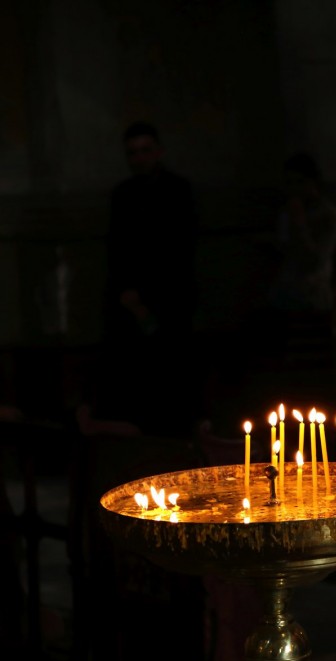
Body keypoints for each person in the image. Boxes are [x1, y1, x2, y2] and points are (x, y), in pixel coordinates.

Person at [95, 121, 200, 437]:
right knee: (135, 381)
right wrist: (127, 294)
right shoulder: (123, 194)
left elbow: (179, 249)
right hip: (129, 303)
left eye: (145, 151)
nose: (139, 159)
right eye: (132, 153)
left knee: (170, 379)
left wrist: (148, 298)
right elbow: (117, 248)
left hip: (170, 301)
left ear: (159, 151)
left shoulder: (178, 191)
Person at [267, 152, 336, 317]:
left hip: (313, 296)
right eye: (289, 183)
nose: (295, 189)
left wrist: (300, 224)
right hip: (285, 292)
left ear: (313, 181)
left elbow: (316, 261)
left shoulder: (329, 215)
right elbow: (284, 247)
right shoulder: (287, 211)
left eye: (300, 182)